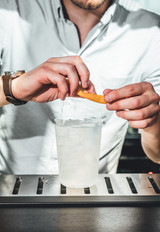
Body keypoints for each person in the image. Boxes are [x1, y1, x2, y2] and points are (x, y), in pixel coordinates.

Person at [0, 0, 159, 175]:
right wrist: (15, 87)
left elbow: (157, 155)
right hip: (11, 190)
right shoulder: (8, 11)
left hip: (98, 192)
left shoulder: (151, 33)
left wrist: (153, 122)